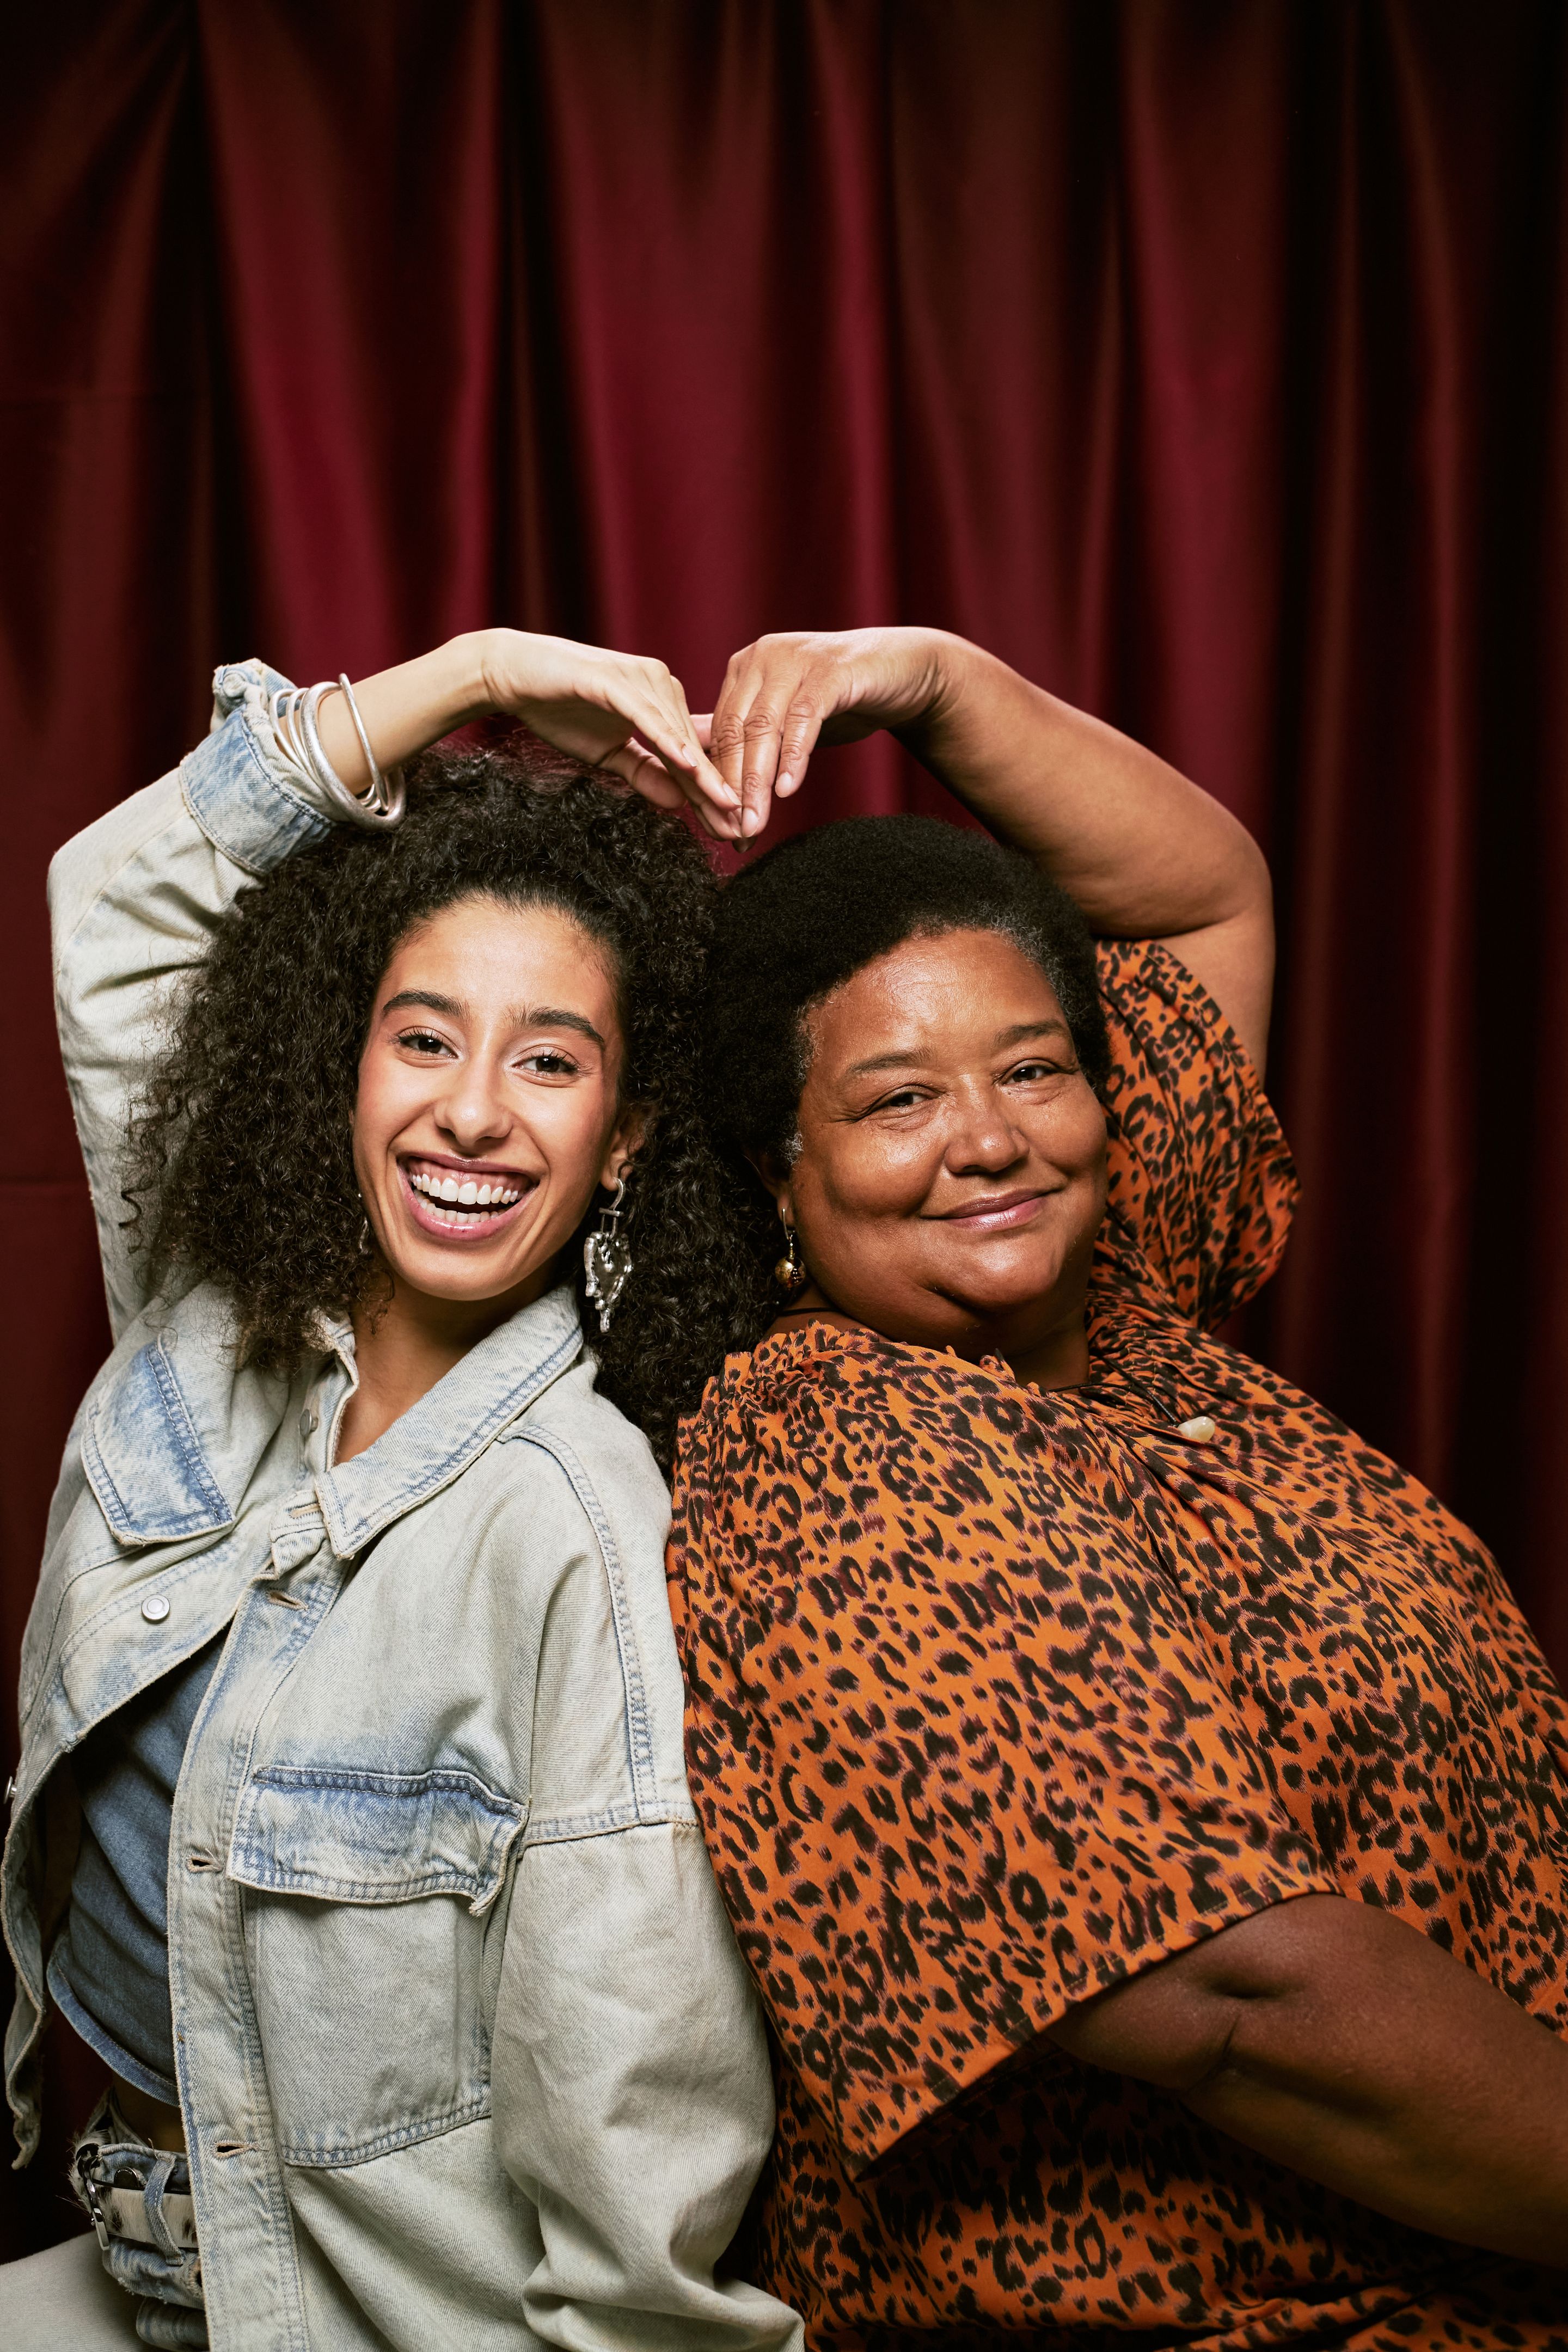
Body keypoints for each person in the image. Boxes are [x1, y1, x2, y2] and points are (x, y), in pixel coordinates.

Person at [667, 627, 1568, 2349]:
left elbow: (1199, 899)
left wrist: (933, 682)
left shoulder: (1119, 1289)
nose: (990, 1136)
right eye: (896, 1100)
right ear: (783, 1179)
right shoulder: (838, 1454)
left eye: (1032, 1067)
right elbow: (1235, 1997)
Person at [3, 631, 801, 2351]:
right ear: (344, 1063)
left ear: (629, 1132)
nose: (471, 1114)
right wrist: (482, 671)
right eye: (423, 1037)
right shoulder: (206, 1306)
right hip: (114, 2233)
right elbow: (117, 900)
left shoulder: (580, 1529)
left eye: (549, 1060)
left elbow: (633, 2189)